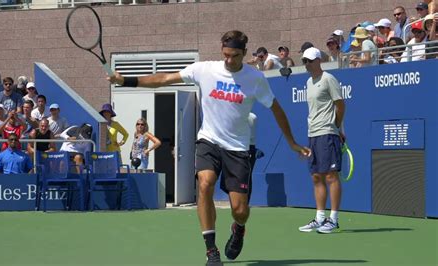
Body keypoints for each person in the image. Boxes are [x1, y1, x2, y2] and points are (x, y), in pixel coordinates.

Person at [107, 30, 309, 265]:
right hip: (208, 141)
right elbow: (163, 79)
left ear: (244, 54)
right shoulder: (204, 70)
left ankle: (239, 228)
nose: (229, 60)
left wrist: (292, 142)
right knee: (204, 183)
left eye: (234, 56)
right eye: (225, 55)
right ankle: (211, 250)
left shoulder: (255, 79)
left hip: (238, 149)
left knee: (240, 210)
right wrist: (125, 81)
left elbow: (276, 109)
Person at [298, 47, 345, 234]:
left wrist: (337, 127)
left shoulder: (329, 79)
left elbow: (340, 105)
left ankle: (333, 220)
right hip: (313, 134)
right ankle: (319, 218)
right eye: (304, 61)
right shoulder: (309, 82)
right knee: (316, 176)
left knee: (331, 176)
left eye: (310, 60)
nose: (307, 64)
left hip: (328, 133)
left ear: (319, 60)